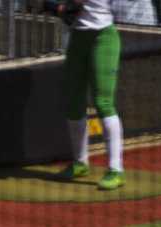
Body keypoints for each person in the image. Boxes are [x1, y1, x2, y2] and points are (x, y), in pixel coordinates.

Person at [51, 0, 127, 191]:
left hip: (103, 36)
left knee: (103, 103)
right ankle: (80, 163)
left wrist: (61, 7)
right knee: (73, 102)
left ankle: (116, 170)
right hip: (78, 37)